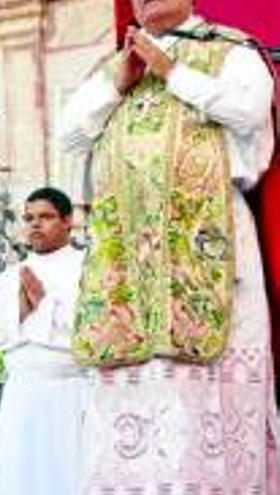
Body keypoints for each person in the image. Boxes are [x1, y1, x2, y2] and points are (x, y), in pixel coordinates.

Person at [60, 0, 280, 491]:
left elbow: (248, 113)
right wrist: (119, 83)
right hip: (127, 259)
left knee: (203, 405)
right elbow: (70, 134)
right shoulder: (114, 65)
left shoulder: (231, 49)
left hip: (210, 246)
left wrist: (173, 72)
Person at [0, 187, 88, 495]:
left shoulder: (88, 267)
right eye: (29, 218)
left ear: (68, 220)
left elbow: (92, 328)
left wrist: (44, 303)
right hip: (21, 394)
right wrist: (21, 311)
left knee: (69, 477)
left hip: (70, 393)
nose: (35, 224)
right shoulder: (11, 276)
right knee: (20, 478)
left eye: (46, 217)